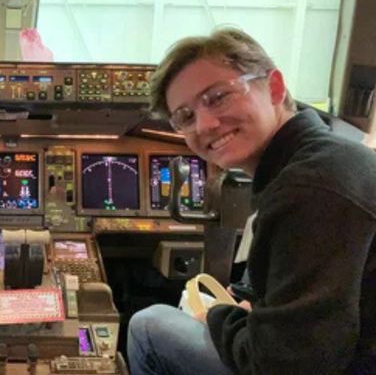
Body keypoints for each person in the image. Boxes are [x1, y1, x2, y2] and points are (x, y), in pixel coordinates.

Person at [127, 28, 376, 375]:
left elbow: (285, 363)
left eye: (217, 97)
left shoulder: (312, 187)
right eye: (185, 116)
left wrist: (217, 316)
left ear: (274, 87)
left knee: (148, 326)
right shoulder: (318, 159)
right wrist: (246, 301)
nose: (206, 124)